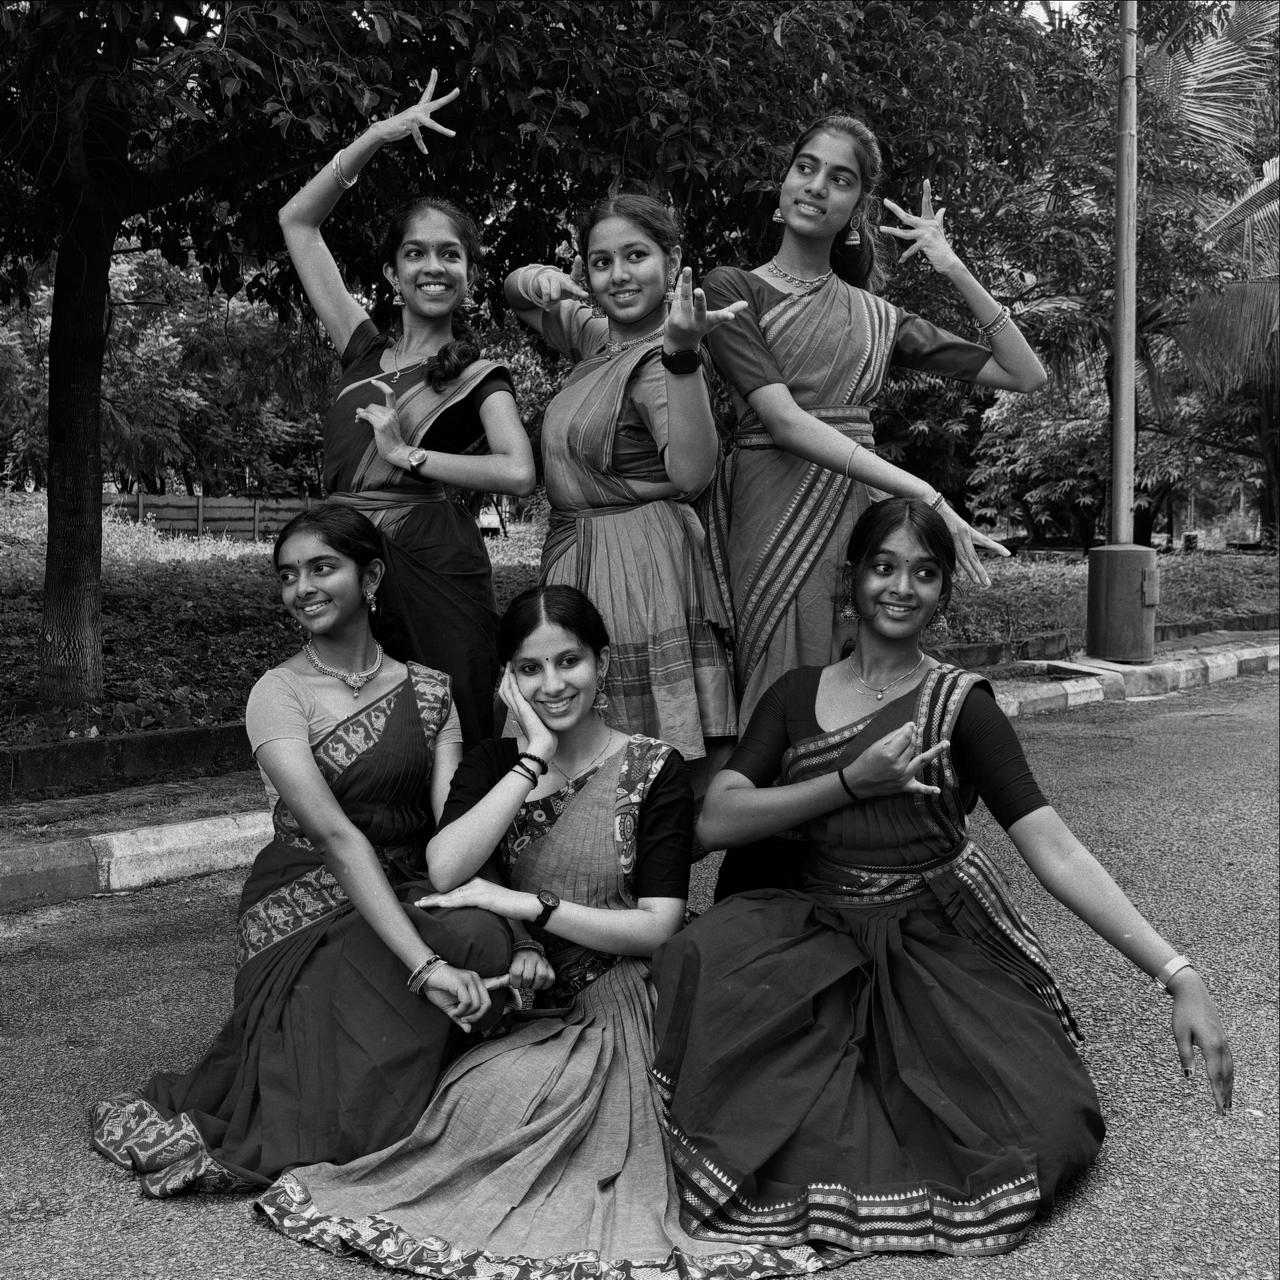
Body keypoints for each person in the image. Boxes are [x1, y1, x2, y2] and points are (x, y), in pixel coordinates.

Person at [649, 498, 1234, 1259]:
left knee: (1044, 1126)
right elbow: (719, 818)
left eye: (924, 573)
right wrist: (851, 783)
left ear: (943, 593)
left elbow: (1055, 850)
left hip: (930, 938)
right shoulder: (794, 694)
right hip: (817, 925)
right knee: (702, 970)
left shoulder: (962, 707)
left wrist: (1178, 973)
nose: (901, 588)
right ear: (852, 578)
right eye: (883, 567)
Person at [256, 585, 823, 1280]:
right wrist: (535, 755)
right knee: (477, 1105)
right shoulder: (494, 764)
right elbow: (446, 867)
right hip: (520, 998)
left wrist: (528, 907)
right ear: (508, 680)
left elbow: (658, 926)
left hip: (617, 992)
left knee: (550, 1112)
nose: (552, 684)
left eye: (569, 661)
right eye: (530, 668)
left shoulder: (654, 768)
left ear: (602, 664)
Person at [91, 504, 513, 1196]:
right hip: (305, 901)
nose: (302, 588)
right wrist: (425, 965)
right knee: (397, 982)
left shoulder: (430, 691)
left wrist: (521, 933)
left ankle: (439, 1094)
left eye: (322, 568)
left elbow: (453, 832)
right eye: (288, 575)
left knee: (484, 939)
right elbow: (336, 838)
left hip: (409, 879)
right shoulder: (278, 693)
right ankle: (376, 1108)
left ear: (370, 578)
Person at [701, 114, 1048, 732]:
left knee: (853, 664)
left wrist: (952, 265)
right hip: (765, 507)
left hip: (855, 511)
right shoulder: (733, 289)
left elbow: (1025, 375)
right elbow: (782, 421)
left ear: (857, 206)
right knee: (766, 672)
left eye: (840, 179)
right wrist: (923, 493)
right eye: (805, 168)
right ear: (784, 183)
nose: (816, 186)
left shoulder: (876, 317)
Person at [279, 72, 536, 743]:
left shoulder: (478, 376)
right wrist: (376, 136)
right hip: (344, 557)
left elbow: (517, 472)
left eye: (451, 255)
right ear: (392, 275)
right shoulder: (361, 347)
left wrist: (405, 453)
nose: (433, 266)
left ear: (469, 275)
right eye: (415, 254)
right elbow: (297, 222)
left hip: (434, 563)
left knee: (458, 717)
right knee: (358, 724)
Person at [502, 195, 745, 778]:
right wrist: (539, 278)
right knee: (573, 740)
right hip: (580, 552)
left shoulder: (662, 360)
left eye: (636, 256)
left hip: (637, 566)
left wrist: (682, 354)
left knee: (631, 748)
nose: (618, 275)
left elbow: (692, 473)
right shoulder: (599, 340)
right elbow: (516, 295)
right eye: (601, 262)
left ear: (672, 261)